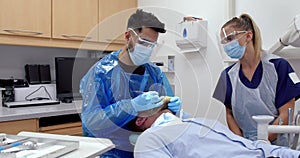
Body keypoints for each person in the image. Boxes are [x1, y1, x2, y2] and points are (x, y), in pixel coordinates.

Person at [80, 9, 181, 158]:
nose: (148, 49)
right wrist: (131, 107)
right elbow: (91, 123)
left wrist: (172, 108)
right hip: (110, 152)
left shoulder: (154, 73)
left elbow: (163, 114)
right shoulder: (101, 73)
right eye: (143, 42)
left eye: (152, 45)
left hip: (148, 149)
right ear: (128, 36)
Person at [213, 13, 300, 146]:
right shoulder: (227, 76)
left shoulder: (279, 67)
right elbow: (229, 114)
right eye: (224, 41)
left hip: (277, 145)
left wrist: (263, 141)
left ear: (248, 35)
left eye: (230, 38)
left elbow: (286, 113)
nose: (227, 45)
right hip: (246, 146)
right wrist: (243, 144)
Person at [132, 105, 300, 158]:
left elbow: (251, 147)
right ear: (140, 120)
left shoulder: (199, 122)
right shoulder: (150, 138)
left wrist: (286, 154)